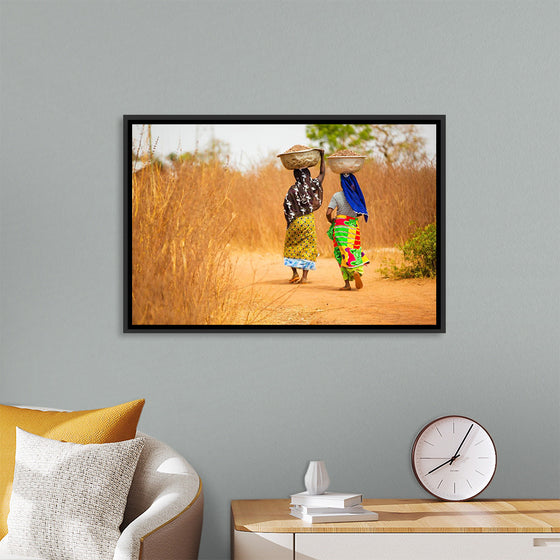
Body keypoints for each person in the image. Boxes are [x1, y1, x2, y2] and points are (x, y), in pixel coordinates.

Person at [283, 150, 325, 283]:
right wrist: (322, 156)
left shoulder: (292, 189)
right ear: (308, 174)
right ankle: (305, 277)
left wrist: (290, 221)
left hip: (295, 221)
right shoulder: (312, 185)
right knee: (307, 247)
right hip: (307, 221)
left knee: (290, 246)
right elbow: (323, 173)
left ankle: (294, 272)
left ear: (295, 176)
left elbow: (286, 206)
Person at [326, 172, 370, 290]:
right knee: (354, 250)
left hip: (340, 227)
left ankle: (347, 284)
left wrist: (332, 221)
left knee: (341, 253)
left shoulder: (337, 196)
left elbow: (328, 213)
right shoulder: (356, 196)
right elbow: (361, 212)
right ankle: (357, 271)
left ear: (341, 183)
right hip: (353, 227)